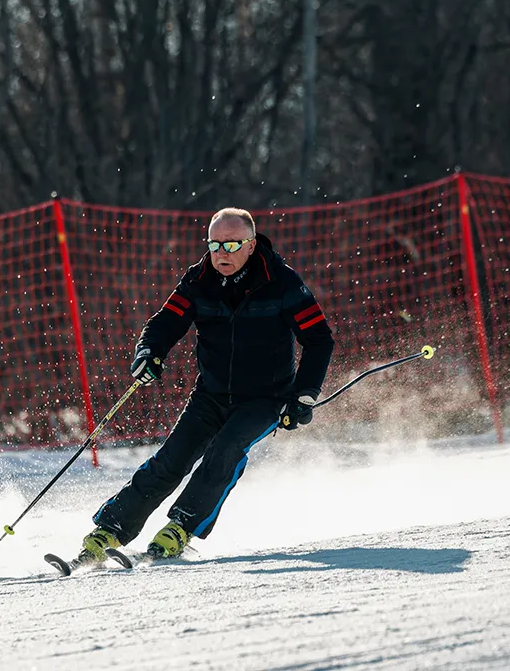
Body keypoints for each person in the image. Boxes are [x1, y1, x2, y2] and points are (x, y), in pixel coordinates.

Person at [78, 207, 335, 561]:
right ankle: (110, 530)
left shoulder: (282, 281)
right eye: (214, 245)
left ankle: (181, 527)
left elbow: (319, 339)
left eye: (231, 245)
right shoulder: (199, 280)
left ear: (251, 245)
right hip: (211, 394)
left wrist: (303, 396)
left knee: (225, 451)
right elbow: (165, 322)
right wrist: (149, 352)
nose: (220, 254)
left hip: (265, 398)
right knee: (171, 460)